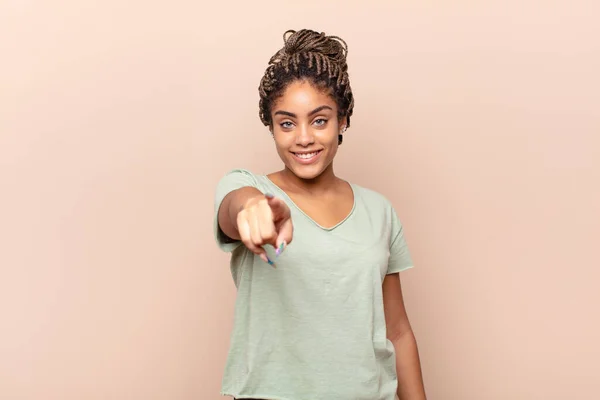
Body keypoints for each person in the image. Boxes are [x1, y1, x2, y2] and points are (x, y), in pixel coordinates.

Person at [213, 29, 427, 400]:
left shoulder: (380, 211)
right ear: (271, 127)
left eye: (319, 120)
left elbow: (398, 332)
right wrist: (252, 208)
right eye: (286, 123)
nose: (303, 138)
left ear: (342, 121)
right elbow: (235, 207)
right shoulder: (247, 187)